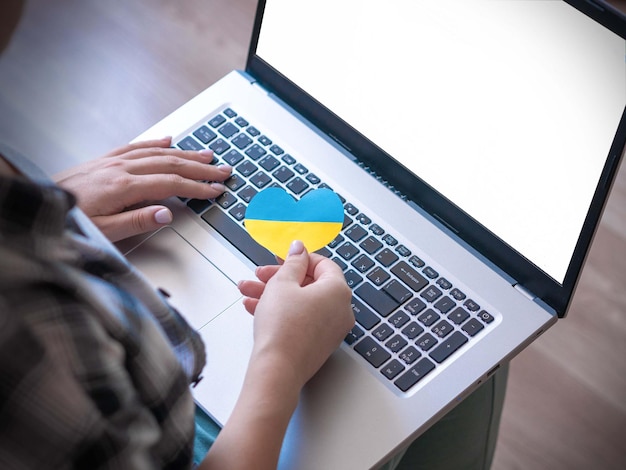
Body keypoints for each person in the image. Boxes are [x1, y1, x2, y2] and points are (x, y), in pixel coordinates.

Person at [0, 1, 508, 469]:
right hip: (182, 441)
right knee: (470, 367)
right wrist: (280, 362)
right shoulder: (28, 334)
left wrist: (51, 211)